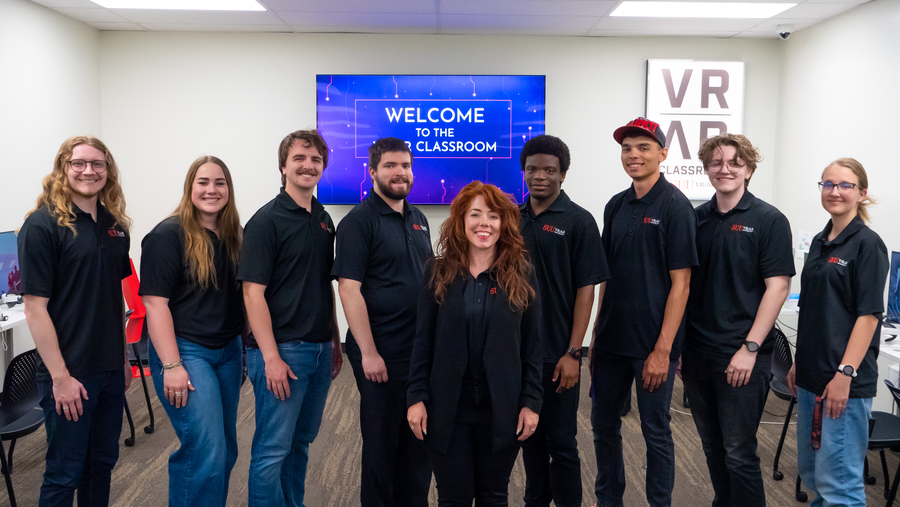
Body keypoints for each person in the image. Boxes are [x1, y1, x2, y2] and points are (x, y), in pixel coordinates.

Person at [407, 181, 543, 506]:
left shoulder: (522, 274)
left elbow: (533, 346)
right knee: (452, 498)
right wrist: (416, 397)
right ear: (461, 221)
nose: (485, 223)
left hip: (502, 409)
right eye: (476, 214)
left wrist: (531, 402)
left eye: (494, 216)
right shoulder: (437, 271)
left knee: (493, 496)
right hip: (447, 409)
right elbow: (422, 342)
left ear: (504, 223)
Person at [18, 135, 132, 506]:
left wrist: (125, 358)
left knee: (101, 464)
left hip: (110, 368)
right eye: (78, 163)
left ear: (108, 171)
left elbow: (113, 298)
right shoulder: (42, 225)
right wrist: (61, 378)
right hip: (68, 371)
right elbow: (35, 308)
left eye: (97, 164)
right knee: (65, 471)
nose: (88, 170)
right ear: (63, 169)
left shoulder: (115, 226)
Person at [589, 117, 697, 507]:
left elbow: (681, 284)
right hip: (612, 342)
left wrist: (663, 351)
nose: (633, 155)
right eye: (626, 148)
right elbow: (607, 276)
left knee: (656, 430)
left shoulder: (676, 207)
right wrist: (596, 338)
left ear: (663, 154)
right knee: (603, 426)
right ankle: (608, 500)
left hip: (653, 346)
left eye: (643, 147)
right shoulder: (615, 206)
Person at [682, 134, 794, 507]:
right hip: (698, 353)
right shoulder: (695, 219)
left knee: (738, 452)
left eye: (734, 162)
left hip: (743, 355)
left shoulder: (769, 220)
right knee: (713, 446)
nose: (725, 169)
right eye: (716, 162)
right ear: (706, 169)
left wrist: (749, 348)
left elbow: (777, 287)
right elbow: (686, 287)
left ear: (748, 168)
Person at [238, 130, 343, 507]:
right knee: (271, 449)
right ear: (283, 166)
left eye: (315, 159)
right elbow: (252, 294)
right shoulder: (266, 221)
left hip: (316, 349)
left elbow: (321, 285)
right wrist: (270, 358)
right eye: (299, 158)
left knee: (300, 442)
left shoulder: (323, 218)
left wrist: (333, 340)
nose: (308, 165)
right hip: (282, 351)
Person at [333, 136, 434, 507]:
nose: (399, 173)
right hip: (380, 354)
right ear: (372, 171)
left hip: (417, 353)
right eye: (390, 165)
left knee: (419, 442)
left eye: (405, 165)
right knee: (382, 446)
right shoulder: (358, 222)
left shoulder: (419, 219)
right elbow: (349, 290)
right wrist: (369, 352)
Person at [140, 155, 244, 507]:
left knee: (226, 450)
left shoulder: (233, 234)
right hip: (186, 353)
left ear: (228, 189)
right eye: (203, 182)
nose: (211, 190)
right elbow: (155, 305)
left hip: (227, 351)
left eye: (219, 183)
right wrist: (171, 366)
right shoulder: (167, 235)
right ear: (190, 187)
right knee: (205, 450)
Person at [787, 158, 888, 507]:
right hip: (812, 377)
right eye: (828, 184)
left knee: (840, 486)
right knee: (815, 475)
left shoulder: (867, 244)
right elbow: (815, 310)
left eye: (845, 185)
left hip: (842, 381)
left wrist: (845, 373)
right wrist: (800, 362)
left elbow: (869, 316)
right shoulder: (819, 240)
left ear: (861, 193)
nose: (835, 192)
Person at [518, 135, 609, 507]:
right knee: (529, 438)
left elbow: (587, 290)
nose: (540, 176)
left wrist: (575, 351)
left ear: (563, 175)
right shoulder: (512, 218)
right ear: (523, 172)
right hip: (520, 354)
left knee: (562, 443)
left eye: (549, 170)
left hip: (559, 354)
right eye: (533, 169)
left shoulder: (579, 221)